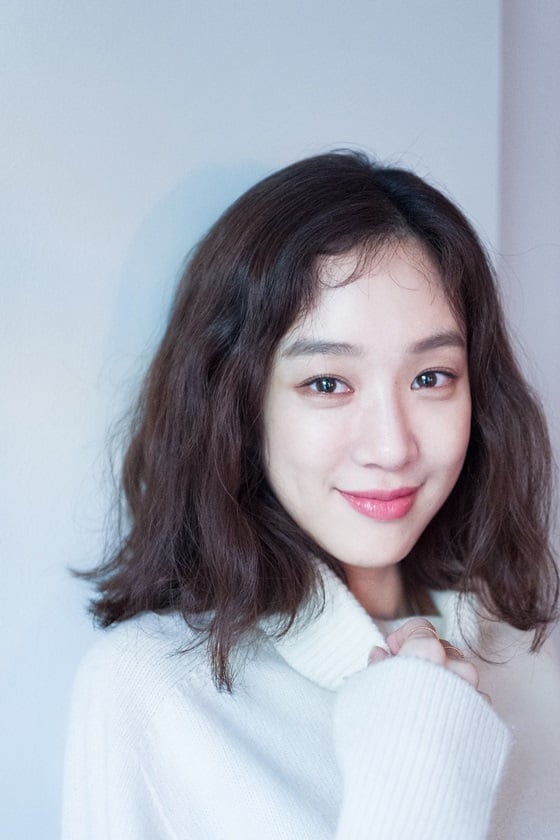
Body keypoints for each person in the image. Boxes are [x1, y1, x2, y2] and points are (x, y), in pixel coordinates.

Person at [63, 151, 560, 839]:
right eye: (328, 383)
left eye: (431, 378)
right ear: (239, 405)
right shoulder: (153, 691)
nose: (392, 446)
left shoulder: (530, 654)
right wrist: (421, 747)